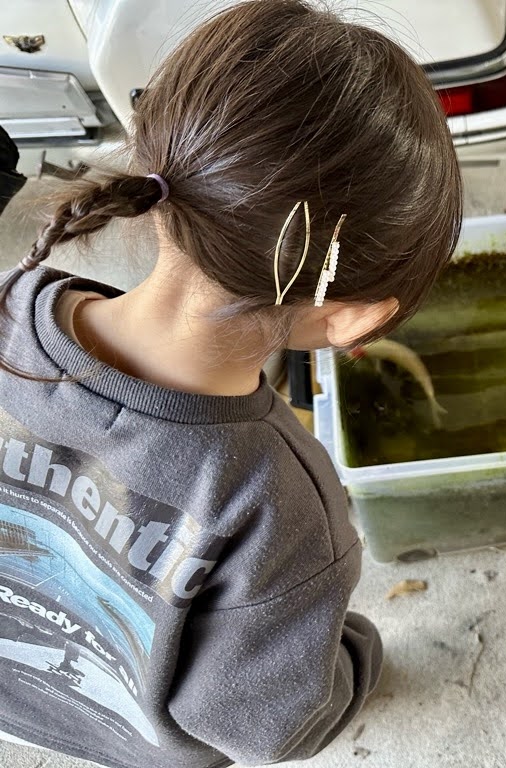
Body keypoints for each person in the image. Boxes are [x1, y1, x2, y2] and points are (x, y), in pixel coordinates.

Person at [0, 1, 462, 766]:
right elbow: (265, 727)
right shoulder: (280, 505)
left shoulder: (13, 302)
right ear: (352, 320)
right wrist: (352, 659)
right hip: (130, 741)